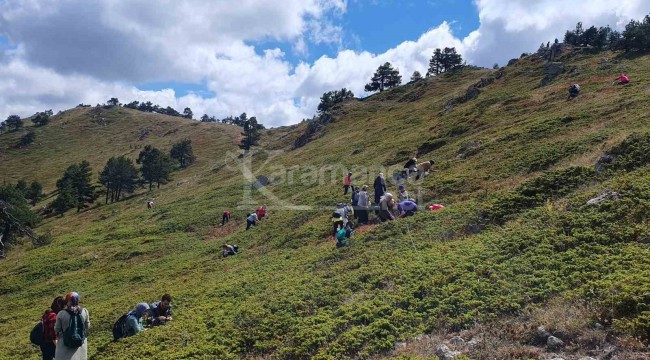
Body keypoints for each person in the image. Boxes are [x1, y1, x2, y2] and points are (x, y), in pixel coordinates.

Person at [54, 292, 89, 360]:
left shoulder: (61, 314)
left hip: (65, 345)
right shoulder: (84, 311)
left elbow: (57, 329)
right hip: (80, 345)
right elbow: (87, 326)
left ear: (67, 301)